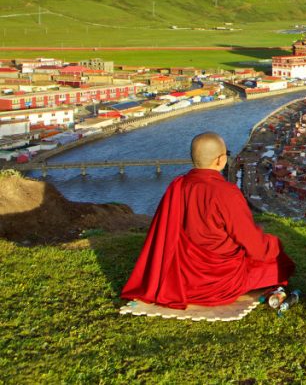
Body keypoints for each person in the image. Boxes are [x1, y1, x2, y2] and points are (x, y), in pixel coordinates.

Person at [121, 132, 294, 308]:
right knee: (278, 265)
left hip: (180, 279)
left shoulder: (178, 186)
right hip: (221, 281)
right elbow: (253, 243)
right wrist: (275, 246)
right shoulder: (226, 193)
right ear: (220, 160)